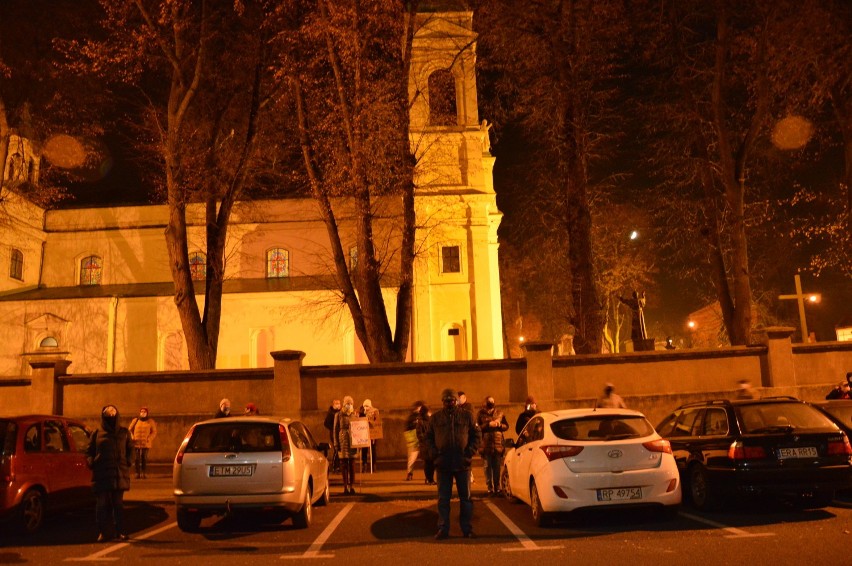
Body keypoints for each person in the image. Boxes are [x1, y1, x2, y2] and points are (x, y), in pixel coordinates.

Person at [426, 388, 481, 540]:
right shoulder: (436, 418)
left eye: (452, 400)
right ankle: (443, 529)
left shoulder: (467, 416)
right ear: (442, 402)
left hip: (462, 464)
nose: (449, 403)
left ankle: (467, 529)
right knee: (443, 499)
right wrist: (435, 455)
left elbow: (477, 435)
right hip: (443, 465)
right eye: (446, 401)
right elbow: (428, 438)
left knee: (466, 499)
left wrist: (469, 452)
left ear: (456, 401)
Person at [87, 405, 133, 542]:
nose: (111, 420)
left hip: (119, 473)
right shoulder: (96, 433)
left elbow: (131, 449)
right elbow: (89, 451)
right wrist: (91, 462)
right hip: (102, 473)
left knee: (118, 504)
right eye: (108, 417)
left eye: (113, 417)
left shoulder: (124, 433)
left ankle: (120, 531)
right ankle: (103, 532)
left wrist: (128, 462)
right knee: (101, 504)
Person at [476, 396, 509, 496]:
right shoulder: (480, 414)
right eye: (489, 401)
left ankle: (497, 487)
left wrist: (499, 425)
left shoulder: (500, 413)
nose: (491, 402)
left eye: (492, 401)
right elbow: (477, 428)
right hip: (486, 444)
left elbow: (506, 426)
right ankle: (489, 487)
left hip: (498, 444)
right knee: (487, 467)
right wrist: (488, 425)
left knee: (497, 467)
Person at [334, 396, 359, 495]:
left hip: (353, 440)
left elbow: (358, 428)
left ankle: (352, 485)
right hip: (342, 440)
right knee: (344, 464)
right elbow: (335, 430)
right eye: (347, 403)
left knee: (352, 464)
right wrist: (336, 444)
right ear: (344, 404)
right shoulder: (339, 415)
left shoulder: (354, 415)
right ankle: (345, 486)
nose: (349, 405)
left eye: (351, 403)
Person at [128, 407, 156, 479]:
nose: (143, 413)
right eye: (141, 411)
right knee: (136, 458)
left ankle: (143, 473)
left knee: (144, 458)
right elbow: (130, 429)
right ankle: (137, 473)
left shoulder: (150, 421)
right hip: (136, 442)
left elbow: (154, 432)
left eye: (144, 412)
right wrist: (132, 437)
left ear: (147, 413)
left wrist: (149, 438)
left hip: (145, 443)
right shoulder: (136, 420)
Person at [416, 404, 435, 485]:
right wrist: (426, 439)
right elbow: (419, 434)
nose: (430, 413)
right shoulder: (420, 422)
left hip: (431, 445)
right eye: (428, 412)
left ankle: (431, 479)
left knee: (432, 463)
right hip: (425, 446)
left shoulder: (431, 420)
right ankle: (428, 479)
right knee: (428, 463)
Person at [405, 401, 424, 481]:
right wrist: (410, 440)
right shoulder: (412, 418)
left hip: (422, 440)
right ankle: (409, 473)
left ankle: (428, 476)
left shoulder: (424, 416)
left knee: (427, 460)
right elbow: (406, 430)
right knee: (412, 459)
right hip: (415, 441)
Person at [359, 399, 380, 470]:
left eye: (367, 406)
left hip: (372, 433)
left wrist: (369, 421)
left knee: (373, 449)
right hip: (364, 433)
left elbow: (377, 422)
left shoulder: (375, 411)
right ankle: (364, 464)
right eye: (364, 406)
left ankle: (374, 464)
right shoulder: (361, 412)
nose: (366, 407)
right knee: (364, 449)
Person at [324, 399, 342, 473]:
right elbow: (326, 423)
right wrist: (333, 428)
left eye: (339, 403)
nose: (338, 405)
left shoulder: (340, 412)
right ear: (333, 404)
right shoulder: (331, 413)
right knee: (336, 448)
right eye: (336, 403)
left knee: (339, 449)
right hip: (334, 434)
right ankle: (335, 466)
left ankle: (338, 466)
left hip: (339, 433)